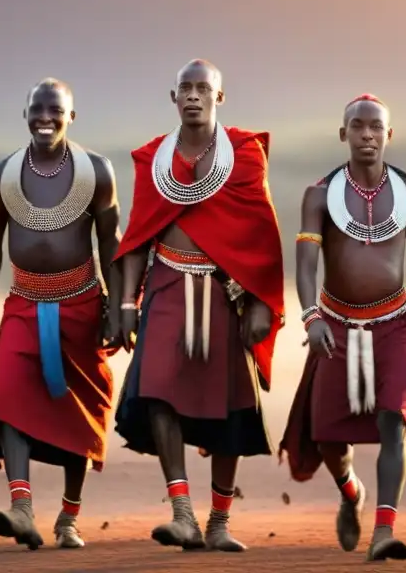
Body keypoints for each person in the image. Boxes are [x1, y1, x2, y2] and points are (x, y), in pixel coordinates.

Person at [109, 59, 285, 553]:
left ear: (219, 98)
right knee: (158, 389)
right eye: (184, 88)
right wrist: (126, 303)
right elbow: (138, 235)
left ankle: (220, 522)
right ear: (172, 97)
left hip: (224, 293)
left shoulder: (246, 155)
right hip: (166, 283)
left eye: (202, 89)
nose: (192, 96)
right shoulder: (152, 160)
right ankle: (182, 513)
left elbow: (260, 232)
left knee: (231, 405)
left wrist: (259, 303)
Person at [278, 94, 406, 562]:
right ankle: (351, 493)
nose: (367, 135)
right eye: (358, 127)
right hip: (336, 325)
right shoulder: (318, 194)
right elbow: (305, 264)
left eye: (376, 128)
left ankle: (384, 531)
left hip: (395, 325)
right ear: (343, 133)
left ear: (389, 135)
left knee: (394, 417)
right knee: (329, 436)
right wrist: (311, 317)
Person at [0, 78, 121, 551]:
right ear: (25, 113)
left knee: (81, 410)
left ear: (72, 116)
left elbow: (111, 243)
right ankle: (21, 507)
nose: (46, 117)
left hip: (82, 303)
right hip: (23, 305)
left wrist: (120, 305)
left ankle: (68, 520)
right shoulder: (3, 175)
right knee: (10, 394)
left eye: (56, 110)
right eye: (37, 109)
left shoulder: (97, 171)